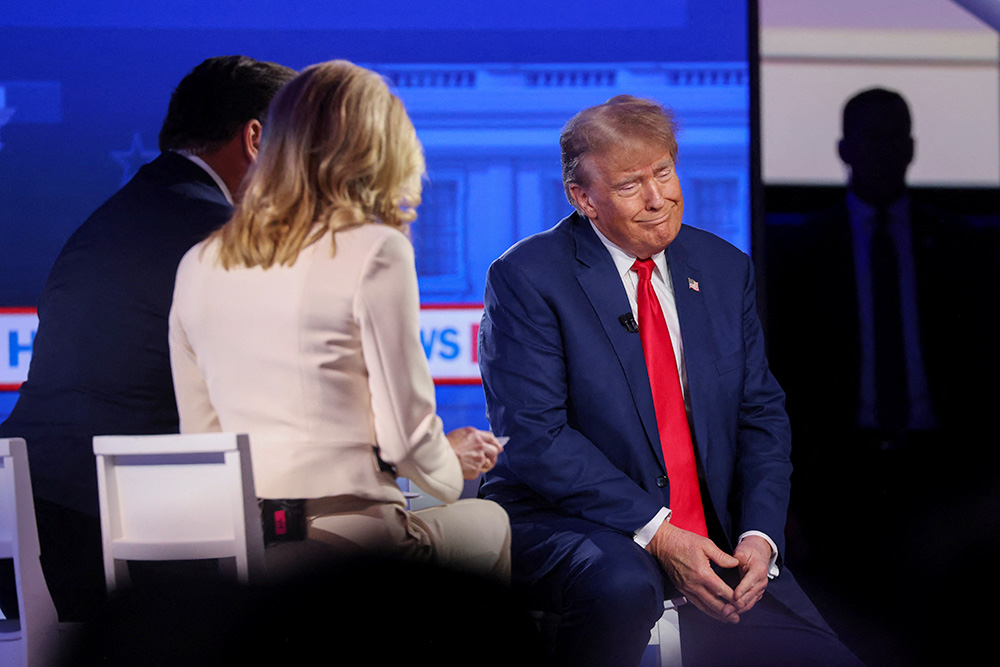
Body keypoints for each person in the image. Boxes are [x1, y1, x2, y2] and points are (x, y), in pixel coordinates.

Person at [478, 95, 862, 666]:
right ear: (583, 198)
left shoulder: (725, 268)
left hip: (717, 537)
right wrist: (659, 534)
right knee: (625, 585)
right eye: (632, 185)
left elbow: (760, 416)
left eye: (664, 172)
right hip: (574, 523)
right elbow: (535, 436)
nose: (659, 199)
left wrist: (759, 536)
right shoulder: (528, 277)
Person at [168, 60, 510, 582]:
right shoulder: (376, 251)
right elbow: (407, 439)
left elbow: (205, 441)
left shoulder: (198, 263)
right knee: (491, 521)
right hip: (357, 542)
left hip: (247, 556)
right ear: (380, 151)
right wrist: (451, 467)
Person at [0, 55, 295, 622]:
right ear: (255, 138)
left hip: (32, 541)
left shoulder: (109, 219)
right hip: (146, 568)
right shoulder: (230, 240)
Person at [764, 87, 1000, 663]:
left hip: (942, 469)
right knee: (850, 633)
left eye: (896, 136)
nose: (885, 149)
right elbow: (782, 377)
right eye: (872, 136)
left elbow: (983, 367)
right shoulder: (797, 250)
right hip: (841, 472)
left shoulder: (965, 245)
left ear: (913, 147)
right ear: (845, 148)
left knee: (948, 630)